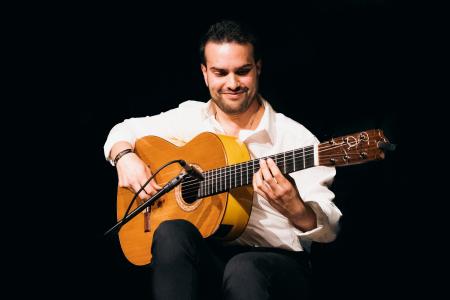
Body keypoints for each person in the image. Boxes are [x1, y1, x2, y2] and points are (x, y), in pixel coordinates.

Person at [104, 20, 342, 300]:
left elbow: (330, 229)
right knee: (170, 232)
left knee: (243, 269)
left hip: (278, 265)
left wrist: (295, 207)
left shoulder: (296, 138)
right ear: (205, 73)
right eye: (220, 72)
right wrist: (124, 156)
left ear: (258, 68)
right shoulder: (189, 117)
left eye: (243, 71)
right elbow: (123, 130)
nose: (232, 83)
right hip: (212, 257)